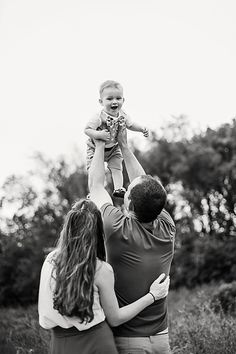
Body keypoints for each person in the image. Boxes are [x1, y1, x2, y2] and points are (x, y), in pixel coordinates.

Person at [38, 198, 170, 354]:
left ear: (68, 227)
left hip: (60, 344)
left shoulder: (50, 260)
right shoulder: (100, 269)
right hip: (96, 342)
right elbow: (115, 318)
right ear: (98, 231)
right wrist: (152, 296)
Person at [88, 127, 176, 354]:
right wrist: (124, 145)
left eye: (127, 193)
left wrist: (99, 144)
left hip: (128, 340)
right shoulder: (167, 227)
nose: (126, 188)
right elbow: (144, 184)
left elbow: (96, 186)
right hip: (161, 338)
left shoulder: (116, 228)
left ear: (130, 206)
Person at [84, 80, 149, 198]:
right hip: (95, 148)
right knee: (93, 168)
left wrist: (141, 129)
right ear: (101, 101)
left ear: (123, 100)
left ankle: (118, 188)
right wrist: (98, 135)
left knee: (117, 167)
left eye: (118, 98)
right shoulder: (98, 117)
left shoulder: (123, 114)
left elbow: (131, 124)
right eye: (109, 99)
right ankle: (94, 191)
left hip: (114, 148)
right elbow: (87, 130)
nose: (114, 101)